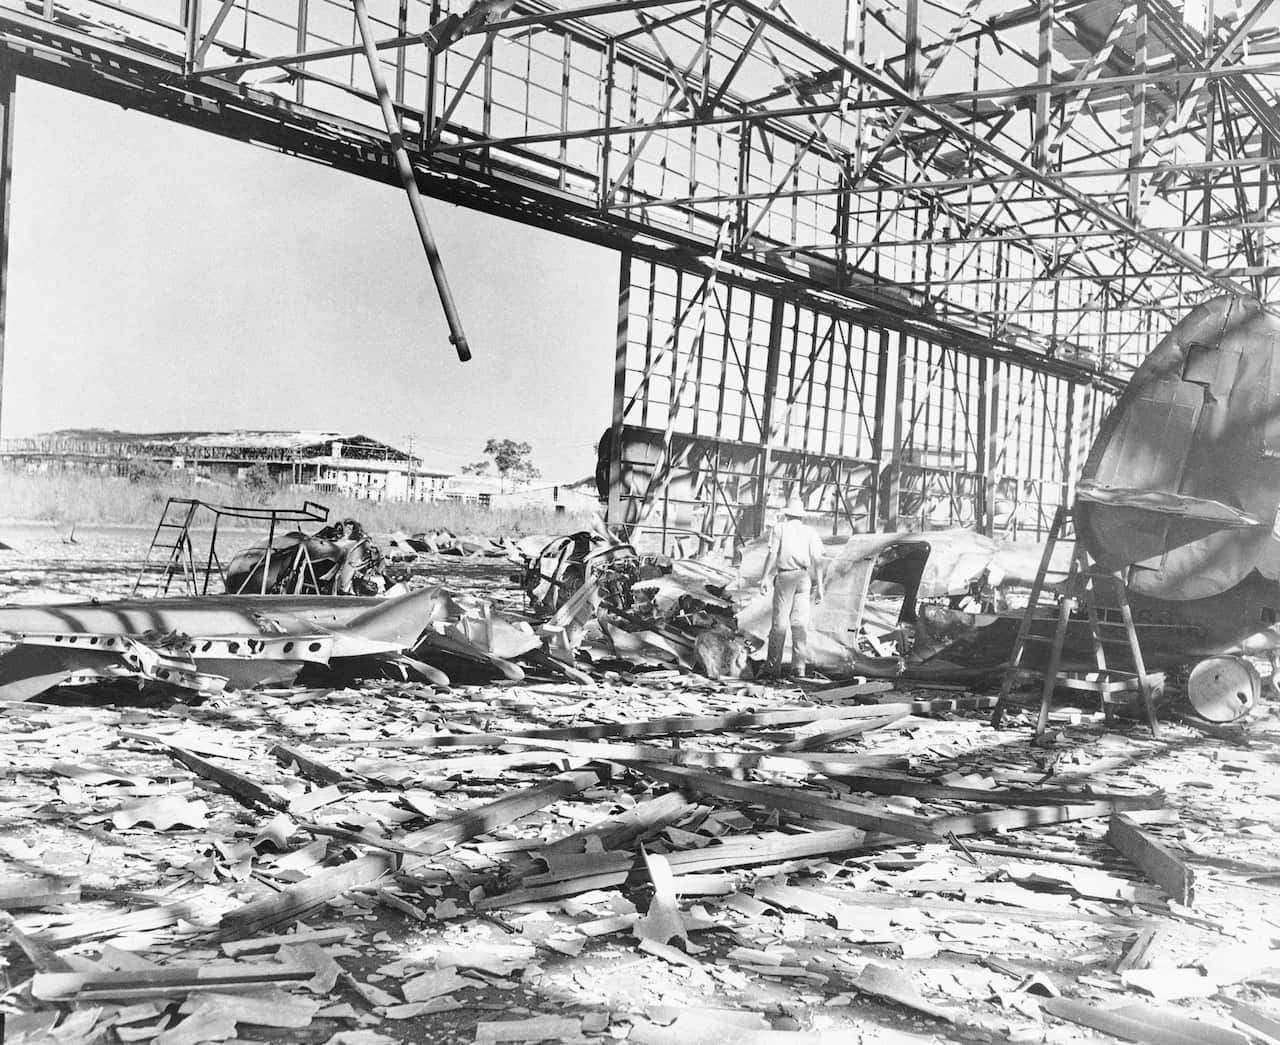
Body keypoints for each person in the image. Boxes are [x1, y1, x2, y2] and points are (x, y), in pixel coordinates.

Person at [759, 494, 825, 678]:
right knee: (799, 624)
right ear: (801, 515)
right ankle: (799, 669)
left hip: (786, 576)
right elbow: (818, 560)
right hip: (804, 577)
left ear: (786, 514)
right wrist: (820, 586)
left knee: (779, 624)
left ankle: (772, 668)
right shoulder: (810, 532)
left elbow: (772, 554)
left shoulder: (779, 528)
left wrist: (764, 578)